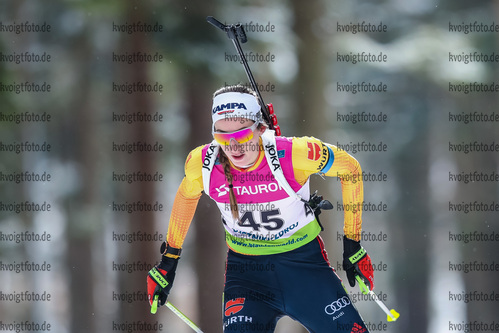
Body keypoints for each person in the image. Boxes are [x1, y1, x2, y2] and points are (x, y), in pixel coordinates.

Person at [147, 84, 374, 332]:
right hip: (246, 276)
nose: (233, 146)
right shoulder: (202, 164)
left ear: (261, 128)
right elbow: (186, 196)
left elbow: (350, 169)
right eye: (223, 136)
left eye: (242, 135)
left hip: (305, 269)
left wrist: (353, 243)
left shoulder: (294, 154)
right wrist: (169, 260)